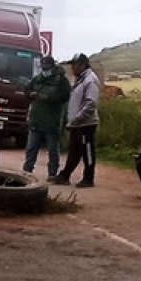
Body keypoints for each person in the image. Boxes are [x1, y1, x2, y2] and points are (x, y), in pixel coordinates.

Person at [53, 53, 100, 188]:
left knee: (87, 151)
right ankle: (65, 175)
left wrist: (77, 119)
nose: (72, 68)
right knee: (74, 151)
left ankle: (88, 178)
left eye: (74, 65)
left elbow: (91, 104)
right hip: (77, 124)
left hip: (86, 124)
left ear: (82, 65)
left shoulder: (90, 80)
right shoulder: (80, 79)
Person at [23, 56, 71, 180]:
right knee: (31, 149)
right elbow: (26, 90)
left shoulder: (61, 81)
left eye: (47, 67)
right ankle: (27, 171)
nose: (45, 70)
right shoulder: (38, 79)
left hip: (51, 120)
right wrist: (30, 94)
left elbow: (65, 96)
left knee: (53, 150)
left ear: (52, 66)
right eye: (43, 67)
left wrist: (48, 98)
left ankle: (52, 173)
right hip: (36, 119)